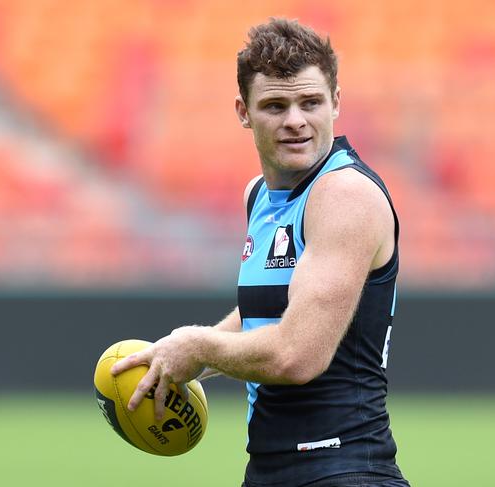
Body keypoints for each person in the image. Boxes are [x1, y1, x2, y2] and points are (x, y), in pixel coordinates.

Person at [111, 18, 410, 487]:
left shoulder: (345, 195)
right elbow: (267, 314)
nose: (295, 120)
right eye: (275, 105)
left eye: (310, 102)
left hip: (343, 470)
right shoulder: (261, 195)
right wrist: (179, 359)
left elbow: (296, 356)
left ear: (336, 103)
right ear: (243, 111)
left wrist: (197, 345)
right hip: (271, 471)